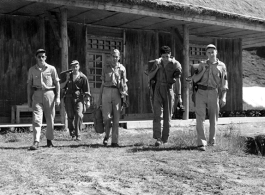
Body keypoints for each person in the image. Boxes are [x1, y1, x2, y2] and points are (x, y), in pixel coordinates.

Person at [192, 44, 228, 151]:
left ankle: (212, 141)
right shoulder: (202, 64)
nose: (211, 54)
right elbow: (195, 79)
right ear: (206, 54)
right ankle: (201, 143)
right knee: (200, 118)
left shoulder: (222, 66)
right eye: (208, 52)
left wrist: (223, 97)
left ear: (216, 52)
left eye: (212, 52)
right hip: (201, 92)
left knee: (214, 118)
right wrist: (203, 70)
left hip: (214, 92)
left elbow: (224, 82)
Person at [147, 46, 182, 146]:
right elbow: (149, 76)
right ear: (161, 56)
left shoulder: (175, 64)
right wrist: (157, 67)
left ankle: (165, 138)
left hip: (169, 89)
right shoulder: (157, 62)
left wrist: (179, 95)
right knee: (157, 114)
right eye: (163, 56)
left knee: (167, 116)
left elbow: (178, 81)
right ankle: (158, 138)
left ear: (170, 54)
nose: (166, 58)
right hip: (157, 88)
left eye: (167, 56)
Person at [27, 49, 60, 150]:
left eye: (43, 56)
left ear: (45, 57)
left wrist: (58, 97)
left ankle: (49, 140)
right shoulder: (32, 70)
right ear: (36, 58)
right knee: (36, 118)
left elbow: (57, 83)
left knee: (50, 118)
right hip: (37, 94)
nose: (41, 58)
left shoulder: (51, 69)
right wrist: (29, 98)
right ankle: (36, 141)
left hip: (49, 94)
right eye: (39, 56)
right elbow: (29, 85)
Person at [98, 49, 128, 147]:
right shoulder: (105, 68)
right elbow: (102, 84)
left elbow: (124, 85)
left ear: (119, 57)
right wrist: (99, 99)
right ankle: (107, 135)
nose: (115, 58)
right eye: (113, 56)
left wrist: (124, 98)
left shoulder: (122, 69)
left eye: (116, 56)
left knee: (116, 118)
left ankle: (115, 141)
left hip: (117, 93)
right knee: (106, 118)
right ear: (110, 57)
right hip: (106, 92)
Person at [61, 60, 91, 141]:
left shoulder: (83, 77)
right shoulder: (68, 76)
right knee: (70, 116)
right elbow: (61, 87)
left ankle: (78, 135)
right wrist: (67, 80)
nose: (75, 68)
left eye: (76, 66)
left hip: (79, 99)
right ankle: (72, 134)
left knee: (79, 115)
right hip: (68, 98)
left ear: (79, 67)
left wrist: (87, 100)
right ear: (71, 67)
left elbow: (86, 90)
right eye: (73, 66)